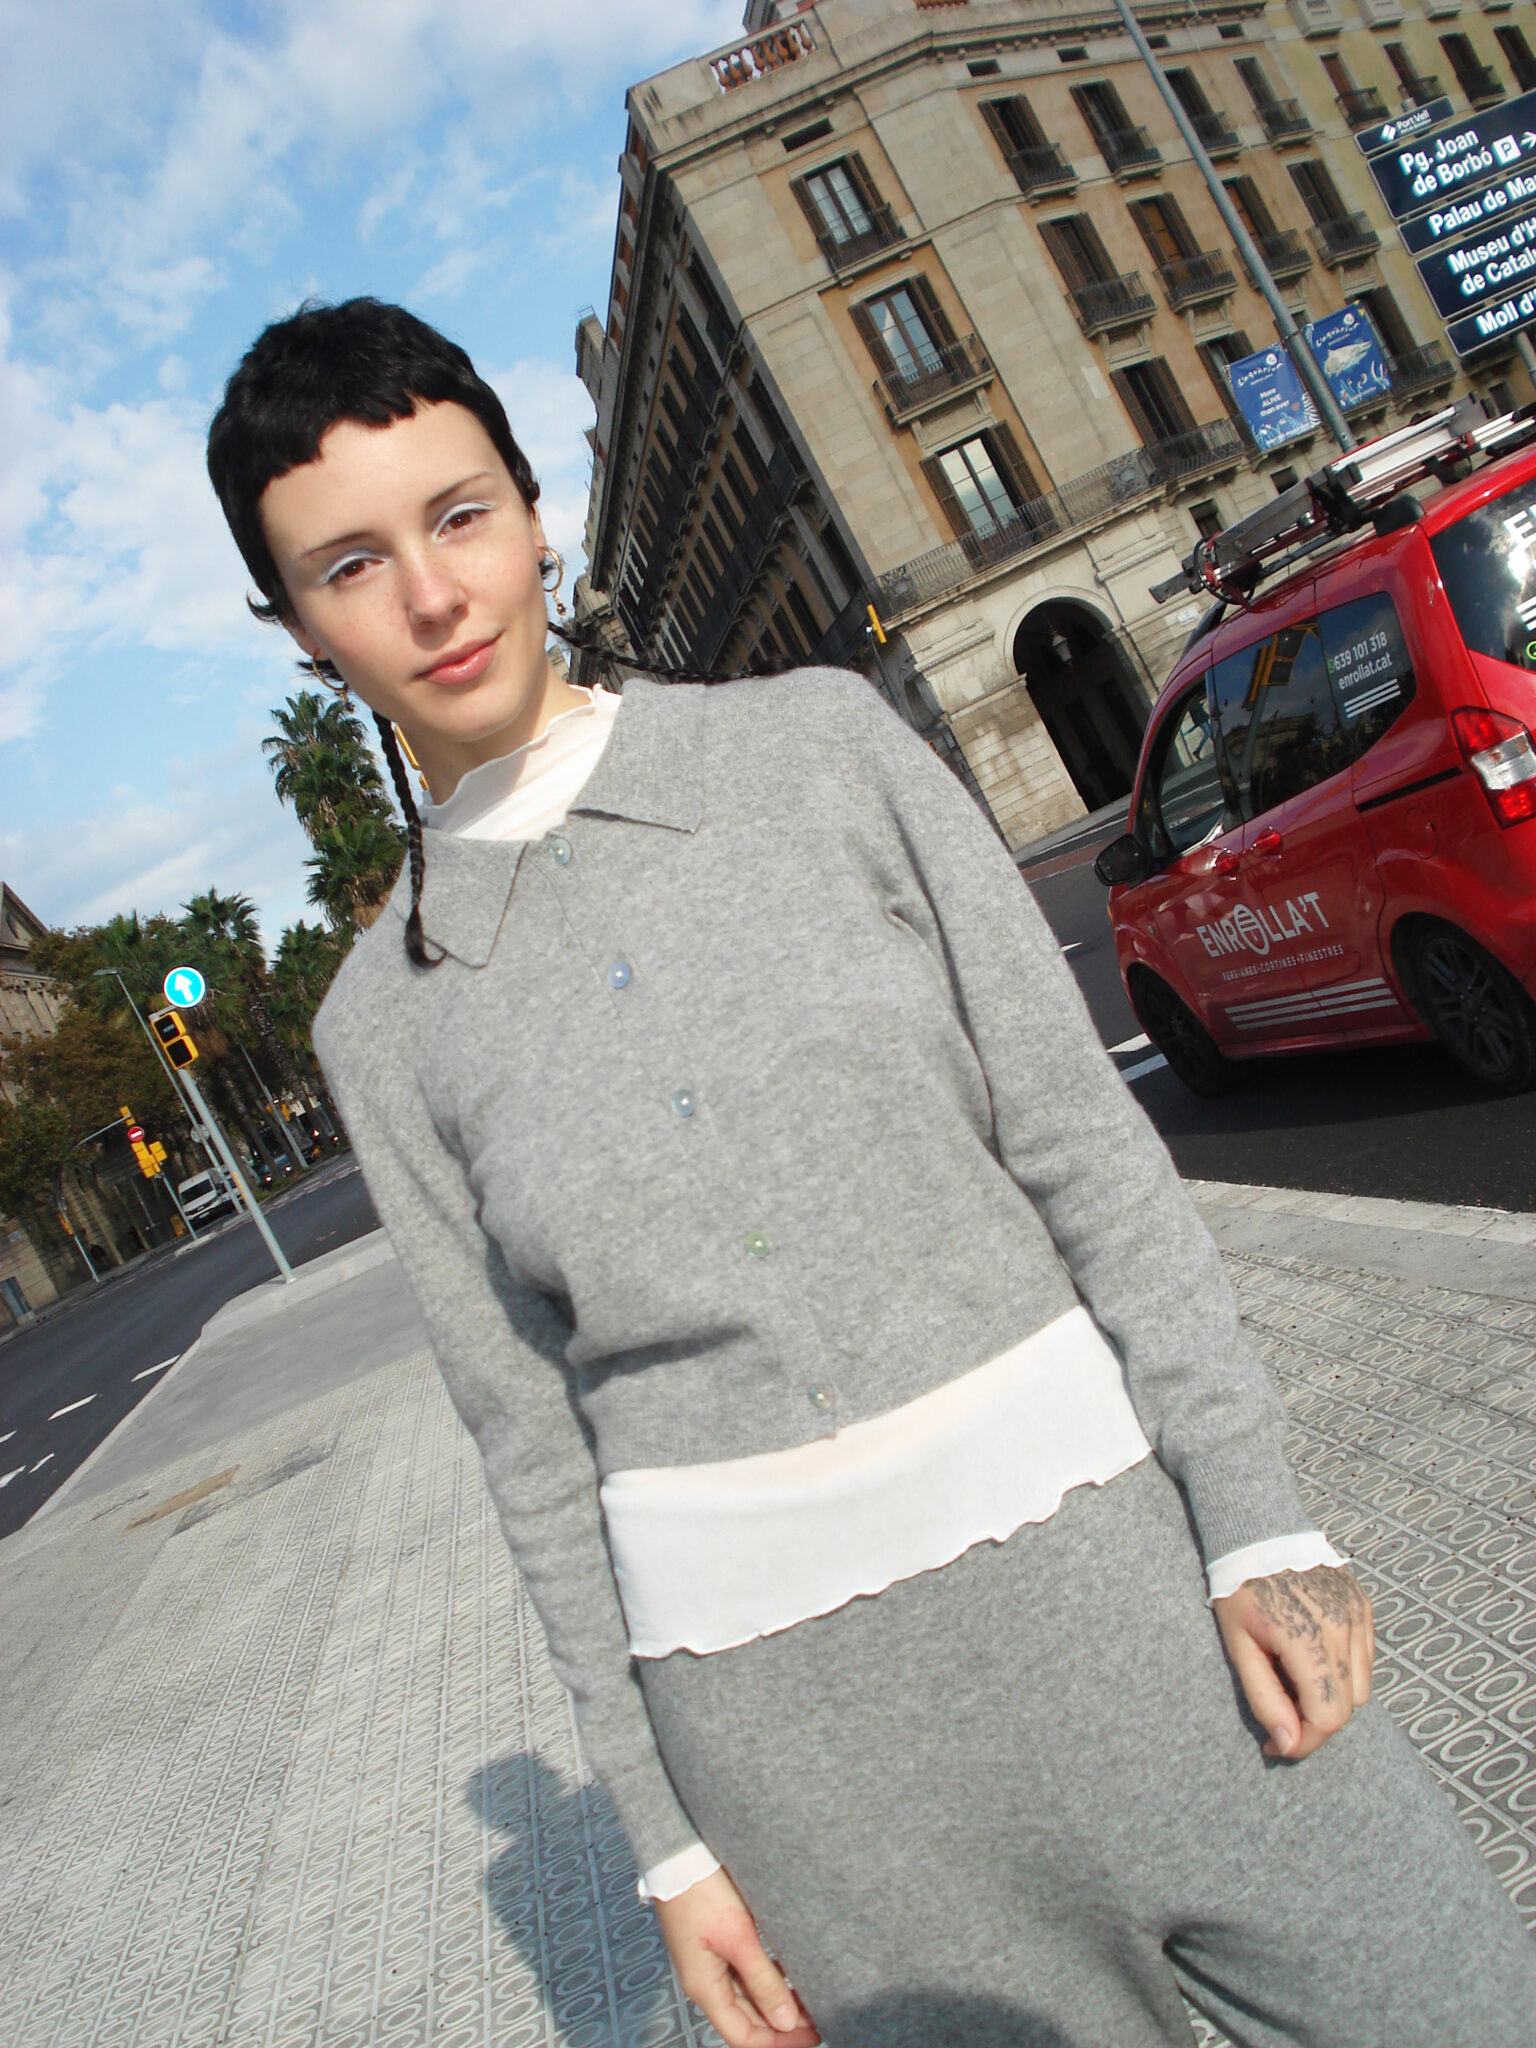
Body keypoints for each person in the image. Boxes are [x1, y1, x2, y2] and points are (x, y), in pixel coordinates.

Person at [207, 298, 1536, 2048]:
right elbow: (532, 1445)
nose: (434, 596)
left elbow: (1082, 1150)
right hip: (810, 1771)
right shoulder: (382, 1025)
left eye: (459, 516)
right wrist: (671, 1847)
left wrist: (1257, 1514)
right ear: (300, 627)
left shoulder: (821, 748)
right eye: (350, 566)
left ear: (533, 512)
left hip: (1138, 1602)